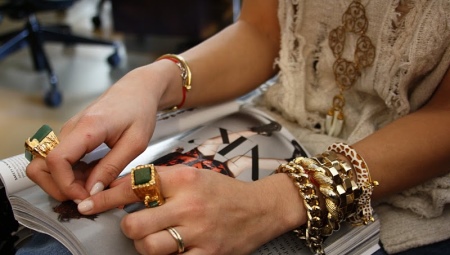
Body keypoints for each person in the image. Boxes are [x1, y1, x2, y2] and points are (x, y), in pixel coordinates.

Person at [23, 0, 450, 254]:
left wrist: (277, 202)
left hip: (407, 185)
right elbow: (263, 33)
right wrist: (151, 82)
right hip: (270, 125)